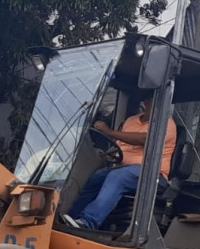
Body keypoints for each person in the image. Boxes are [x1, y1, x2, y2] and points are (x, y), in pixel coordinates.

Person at [66, 93, 176, 230]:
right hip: (123, 168)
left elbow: (145, 139)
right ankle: (70, 218)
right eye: (154, 101)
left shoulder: (167, 123)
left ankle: (88, 222)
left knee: (118, 177)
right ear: (146, 102)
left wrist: (109, 132)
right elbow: (121, 145)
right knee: (96, 177)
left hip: (153, 174)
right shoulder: (131, 121)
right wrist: (111, 156)